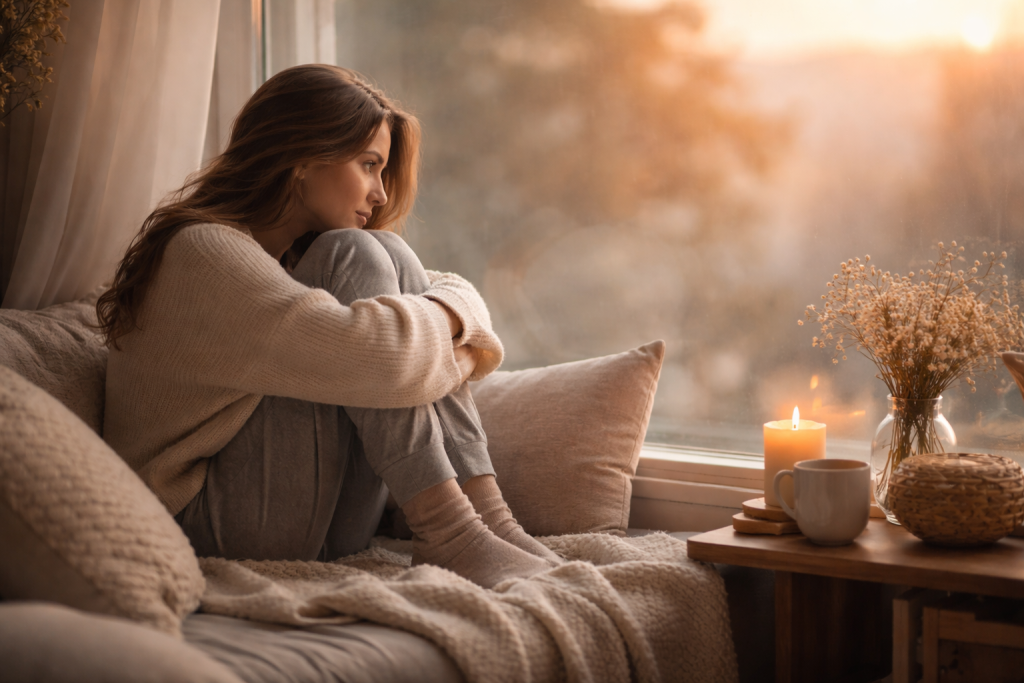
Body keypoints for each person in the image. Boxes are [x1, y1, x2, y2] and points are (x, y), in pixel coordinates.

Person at [97, 64, 560, 588]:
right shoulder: (202, 251)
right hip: (200, 523)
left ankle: (488, 521)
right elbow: (387, 360)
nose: (380, 193)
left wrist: (448, 332)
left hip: (316, 520)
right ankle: (448, 532)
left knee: (391, 254)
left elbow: (450, 291)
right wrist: (459, 347)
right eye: (369, 165)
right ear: (302, 156)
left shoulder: (292, 259)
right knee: (360, 255)